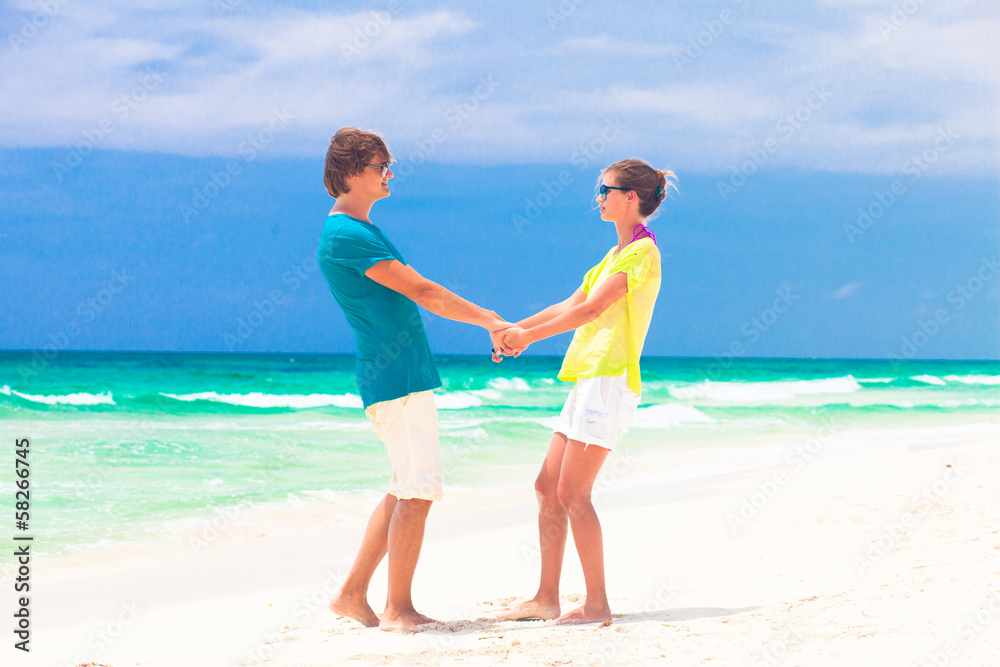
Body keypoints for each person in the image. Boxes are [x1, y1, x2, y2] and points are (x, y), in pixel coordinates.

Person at [318, 127, 518, 632]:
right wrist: (491, 319)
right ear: (353, 170)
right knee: (418, 491)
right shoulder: (347, 234)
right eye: (382, 165)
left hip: (399, 374)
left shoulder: (360, 230)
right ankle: (398, 609)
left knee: (403, 487)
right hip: (395, 379)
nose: (389, 173)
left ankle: (351, 594)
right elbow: (424, 291)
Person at [497, 159, 674, 625]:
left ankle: (597, 605)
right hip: (588, 379)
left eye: (606, 189)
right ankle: (546, 598)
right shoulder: (612, 257)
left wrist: (527, 340)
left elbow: (594, 309)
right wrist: (512, 329)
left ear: (631, 197)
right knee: (546, 487)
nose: (599, 197)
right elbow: (568, 304)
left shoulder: (642, 253)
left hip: (611, 382)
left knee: (574, 491)